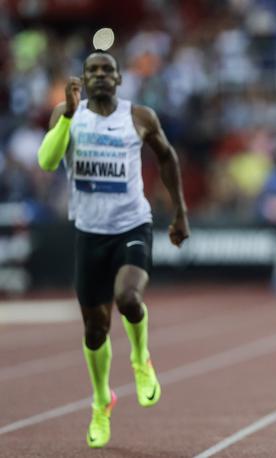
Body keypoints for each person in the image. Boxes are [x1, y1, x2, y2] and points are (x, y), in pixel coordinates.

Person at [37, 49, 190, 448]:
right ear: (83, 80)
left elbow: (168, 157)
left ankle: (140, 360)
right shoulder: (67, 115)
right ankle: (102, 398)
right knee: (94, 327)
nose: (101, 75)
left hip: (131, 225)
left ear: (120, 79)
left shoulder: (138, 117)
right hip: (89, 233)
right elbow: (47, 162)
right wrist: (68, 116)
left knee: (127, 296)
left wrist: (179, 212)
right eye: (93, 70)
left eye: (108, 69)